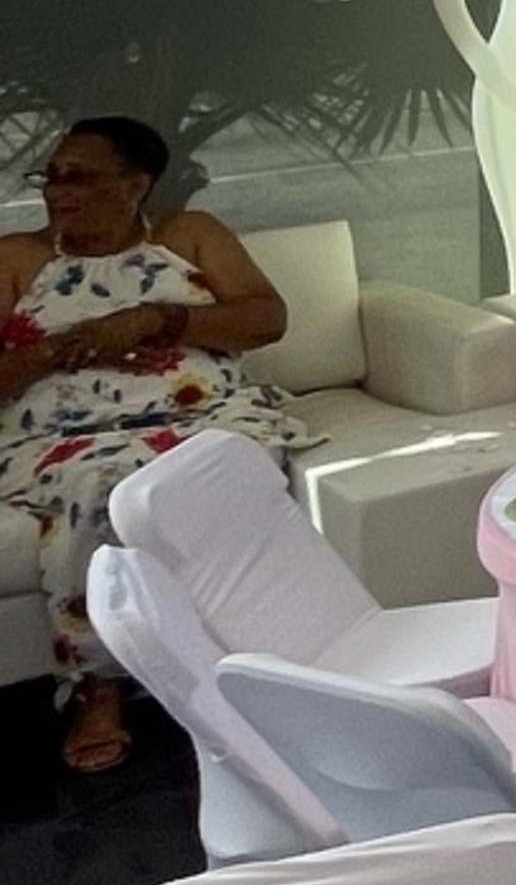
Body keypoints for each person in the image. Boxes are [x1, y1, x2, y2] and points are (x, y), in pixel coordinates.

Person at [0, 119, 297, 776]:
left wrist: (161, 318)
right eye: (50, 175)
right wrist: (54, 349)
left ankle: (250, 662)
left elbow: (265, 319)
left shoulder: (191, 236)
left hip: (205, 416)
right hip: (66, 439)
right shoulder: (17, 259)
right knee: (100, 493)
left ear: (135, 185)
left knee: (225, 472)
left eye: (79, 176)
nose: (57, 190)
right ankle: (96, 687)